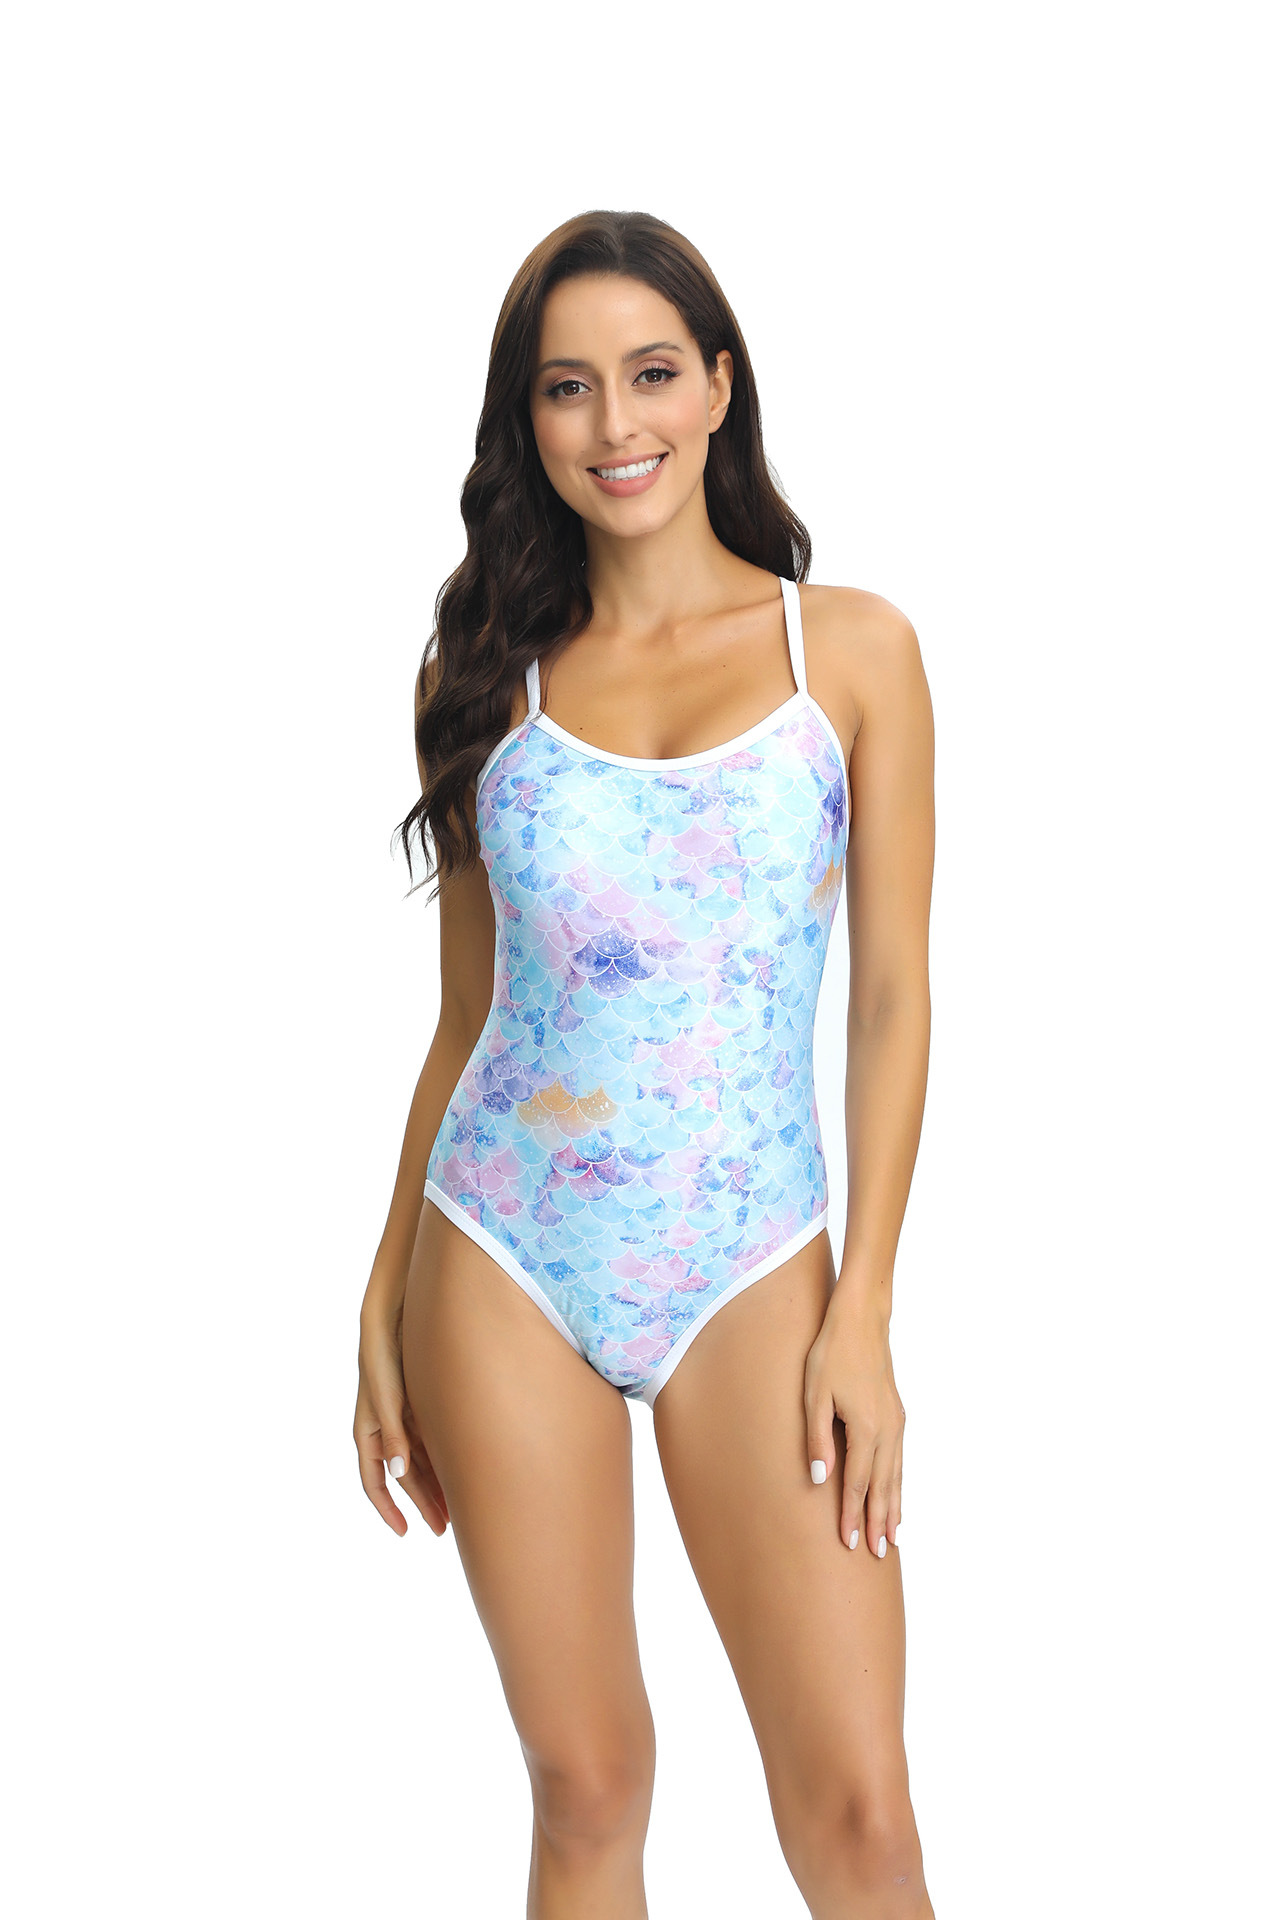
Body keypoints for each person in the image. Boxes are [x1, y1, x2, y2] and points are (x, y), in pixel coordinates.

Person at [355, 209, 937, 1920]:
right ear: (527, 421)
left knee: (860, 1817)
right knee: (588, 1787)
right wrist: (382, 1295)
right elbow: (465, 1021)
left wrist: (865, 1308)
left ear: (719, 387)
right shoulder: (486, 680)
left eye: (652, 374)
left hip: (751, 1260)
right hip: (501, 1255)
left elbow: (894, 994)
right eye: (568, 388)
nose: (616, 424)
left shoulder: (852, 655)